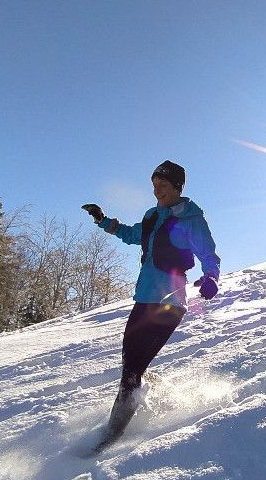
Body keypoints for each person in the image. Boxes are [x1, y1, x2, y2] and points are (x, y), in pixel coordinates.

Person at [81, 160, 220, 448]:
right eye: (155, 186)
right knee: (130, 365)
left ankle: (111, 437)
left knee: (131, 371)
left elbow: (208, 253)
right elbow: (132, 234)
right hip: (143, 300)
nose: (158, 191)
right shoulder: (151, 216)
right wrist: (102, 220)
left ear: (177, 187)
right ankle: (147, 394)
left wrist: (211, 277)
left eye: (164, 186)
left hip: (170, 304)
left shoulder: (191, 220)